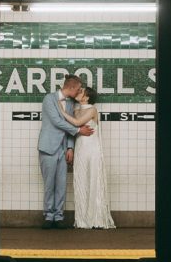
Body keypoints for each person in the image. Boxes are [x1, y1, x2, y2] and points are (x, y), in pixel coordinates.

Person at [38, 74, 94, 229]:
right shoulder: (49, 99)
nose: (79, 91)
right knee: (49, 184)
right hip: (48, 147)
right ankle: (49, 217)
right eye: (79, 89)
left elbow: (68, 125)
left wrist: (70, 147)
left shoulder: (70, 103)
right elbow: (57, 122)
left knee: (61, 184)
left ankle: (59, 216)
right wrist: (78, 130)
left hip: (63, 149)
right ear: (72, 87)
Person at [59, 85, 115, 230]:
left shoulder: (92, 110)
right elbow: (74, 122)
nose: (78, 92)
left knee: (93, 180)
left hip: (93, 149)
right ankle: (83, 220)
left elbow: (77, 123)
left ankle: (96, 218)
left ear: (87, 96)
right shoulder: (77, 109)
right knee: (81, 180)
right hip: (80, 149)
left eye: (81, 91)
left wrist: (61, 111)